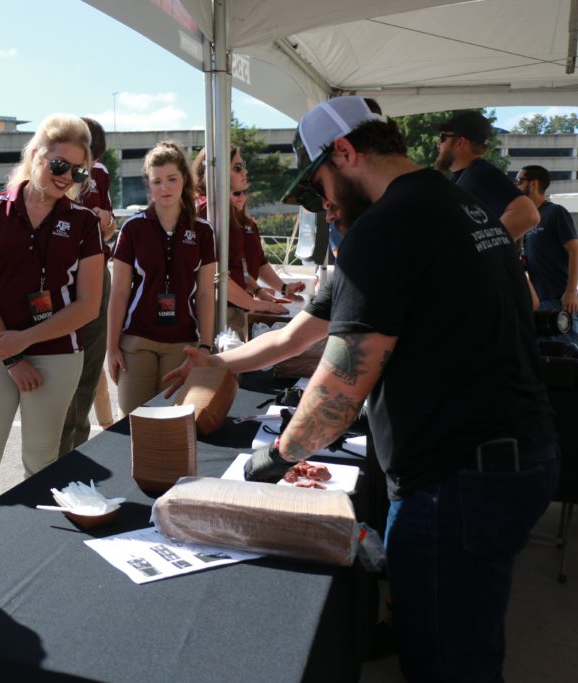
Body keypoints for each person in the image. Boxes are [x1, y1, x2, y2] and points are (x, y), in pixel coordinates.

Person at [246, 96, 557, 682]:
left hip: (460, 479)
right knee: (464, 635)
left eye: (319, 186)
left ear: (344, 152)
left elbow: (340, 389)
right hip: (515, 456)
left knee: (448, 663)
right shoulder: (459, 201)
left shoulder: (388, 226)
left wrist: (277, 456)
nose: (325, 204)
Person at [0, 113, 103, 523]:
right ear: (35, 155)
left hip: (57, 355)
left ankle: (29, 565)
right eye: (58, 165)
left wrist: (26, 340)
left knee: (41, 469)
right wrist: (12, 356)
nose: (66, 176)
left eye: (77, 170)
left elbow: (88, 306)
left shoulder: (84, 222)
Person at [107, 141, 217, 416]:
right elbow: (119, 292)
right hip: (136, 341)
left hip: (182, 343)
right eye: (157, 181)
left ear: (184, 180)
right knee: (132, 421)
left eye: (172, 179)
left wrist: (205, 345)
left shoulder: (202, 231)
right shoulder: (133, 228)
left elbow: (205, 293)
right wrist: (111, 348)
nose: (164, 188)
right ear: (148, 184)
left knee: (172, 423)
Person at [59, 116, 115, 455]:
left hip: (87, 269)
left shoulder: (98, 173)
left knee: (88, 365)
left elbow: (102, 217)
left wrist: (105, 222)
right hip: (69, 273)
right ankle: (70, 446)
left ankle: (73, 447)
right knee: (80, 367)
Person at [193, 145, 294, 334]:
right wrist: (254, 303)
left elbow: (241, 266)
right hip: (216, 311)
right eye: (238, 167)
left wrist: (259, 293)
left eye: (243, 166)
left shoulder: (223, 210)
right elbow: (215, 274)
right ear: (217, 172)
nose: (245, 172)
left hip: (230, 308)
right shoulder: (210, 210)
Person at [433, 109, 539, 240]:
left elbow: (528, 215)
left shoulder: (481, 175)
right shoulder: (467, 176)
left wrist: (488, 247)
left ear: (461, 142)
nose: (439, 145)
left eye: (443, 138)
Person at [517, 164, 578, 344]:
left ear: (533, 184)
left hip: (560, 300)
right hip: (539, 302)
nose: (516, 186)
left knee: (568, 355)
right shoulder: (530, 218)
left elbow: (574, 249)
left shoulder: (555, 212)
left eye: (519, 181)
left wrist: (571, 292)